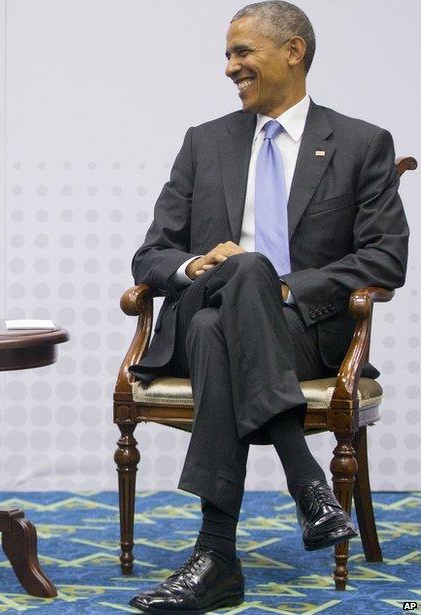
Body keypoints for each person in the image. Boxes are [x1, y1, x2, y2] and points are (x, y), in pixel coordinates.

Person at [126, 2, 409, 613]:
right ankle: (304, 476)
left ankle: (215, 558)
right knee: (228, 290)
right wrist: (195, 266)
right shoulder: (204, 143)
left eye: (242, 52)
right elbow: (150, 256)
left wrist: (286, 287)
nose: (230, 67)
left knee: (218, 317)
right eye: (228, 55)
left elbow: (386, 261)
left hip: (307, 332)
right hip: (217, 305)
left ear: (294, 51)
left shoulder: (361, 144)